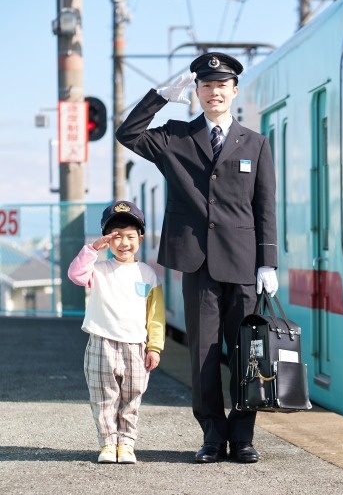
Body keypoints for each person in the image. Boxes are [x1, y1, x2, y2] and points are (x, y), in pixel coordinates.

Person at [115, 52, 278, 464]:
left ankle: (242, 437)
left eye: (221, 86)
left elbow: (265, 208)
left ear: (234, 91)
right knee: (203, 353)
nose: (214, 92)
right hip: (196, 264)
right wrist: (158, 98)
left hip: (243, 265)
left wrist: (268, 263)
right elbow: (127, 134)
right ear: (197, 93)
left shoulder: (255, 144)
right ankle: (212, 435)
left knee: (246, 353)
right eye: (206, 86)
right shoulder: (176, 137)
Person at [68, 201, 165, 464]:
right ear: (107, 240)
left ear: (140, 239)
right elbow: (76, 275)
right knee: (104, 397)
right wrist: (91, 250)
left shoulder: (147, 274)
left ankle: (127, 444)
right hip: (102, 342)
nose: (124, 242)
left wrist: (154, 347)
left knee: (132, 397)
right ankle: (108, 444)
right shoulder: (98, 270)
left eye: (130, 236)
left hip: (136, 346)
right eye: (116, 236)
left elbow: (155, 316)